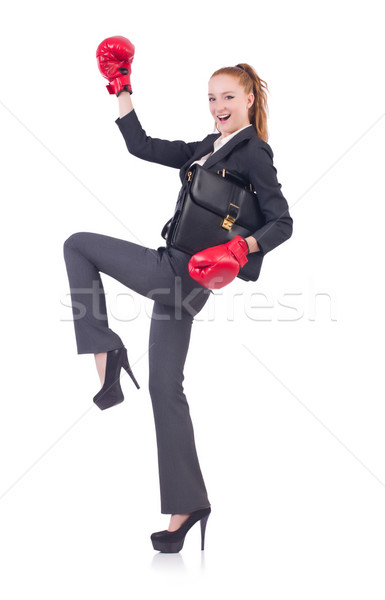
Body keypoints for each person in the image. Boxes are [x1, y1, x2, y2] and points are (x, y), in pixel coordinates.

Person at [63, 36, 293, 553]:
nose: (218, 108)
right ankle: (188, 506)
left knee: (78, 245)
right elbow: (140, 146)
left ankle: (106, 349)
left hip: (180, 271)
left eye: (228, 98)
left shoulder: (253, 150)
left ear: (250, 99)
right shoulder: (207, 147)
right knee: (167, 391)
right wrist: (121, 89)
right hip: (185, 279)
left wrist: (241, 249)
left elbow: (283, 222)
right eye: (212, 99)